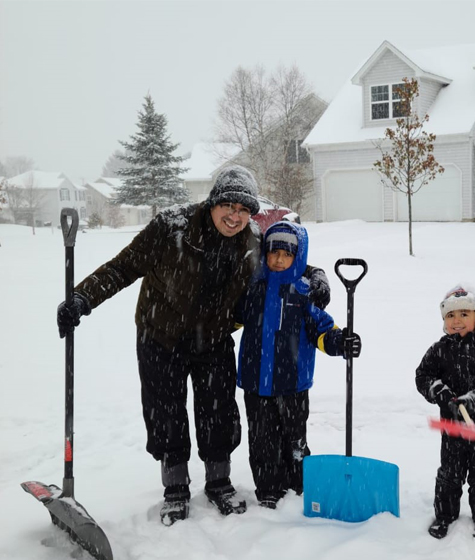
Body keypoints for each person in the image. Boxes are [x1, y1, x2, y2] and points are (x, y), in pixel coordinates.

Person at [55, 166, 331, 526]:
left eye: (244, 210)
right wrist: (81, 299)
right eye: (228, 206)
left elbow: (291, 262)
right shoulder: (171, 227)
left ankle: (219, 482)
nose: (235, 216)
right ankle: (175, 489)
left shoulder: (252, 240)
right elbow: (122, 267)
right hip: (161, 336)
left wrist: (319, 276)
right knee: (165, 413)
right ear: (213, 201)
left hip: (213, 338)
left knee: (218, 412)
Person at [234, 221, 361, 509]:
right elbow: (231, 317)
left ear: (298, 256)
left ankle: (298, 483)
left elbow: (322, 331)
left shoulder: (305, 292)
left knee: (295, 439)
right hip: (256, 383)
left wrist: (341, 342)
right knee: (262, 440)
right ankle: (268, 488)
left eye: (287, 254)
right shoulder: (253, 287)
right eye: (273, 252)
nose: (278, 259)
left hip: (293, 383)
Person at [415, 283, 475, 545]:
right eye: (451, 315)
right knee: (449, 475)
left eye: (464, 314)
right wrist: (439, 391)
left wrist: (472, 400)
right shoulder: (440, 349)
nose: (457, 321)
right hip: (452, 429)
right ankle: (444, 516)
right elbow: (423, 376)